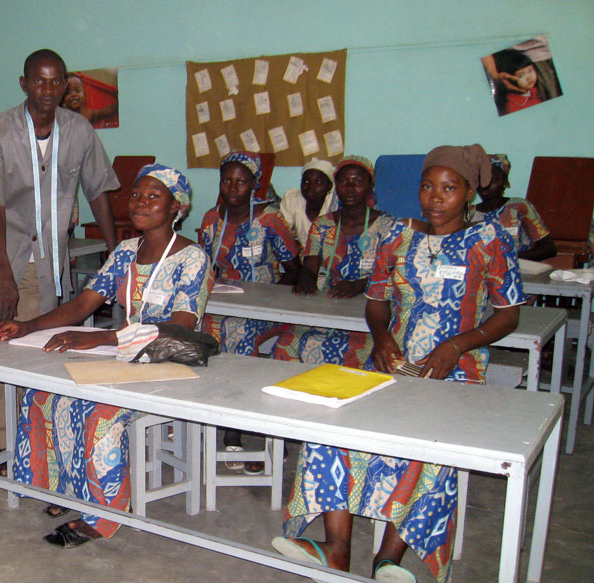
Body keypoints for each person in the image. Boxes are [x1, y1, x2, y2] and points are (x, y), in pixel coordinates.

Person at [274, 144, 524, 583]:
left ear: (467, 192)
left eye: (449, 188)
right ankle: (336, 547)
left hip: (455, 369)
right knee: (334, 427)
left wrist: (458, 346)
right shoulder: (398, 238)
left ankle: (388, 558)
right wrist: (384, 337)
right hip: (393, 361)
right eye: (428, 186)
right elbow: (376, 303)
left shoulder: (490, 240)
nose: (436, 197)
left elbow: (508, 314)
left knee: (424, 444)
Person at [0, 164, 213, 548]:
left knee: (99, 415)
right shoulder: (127, 251)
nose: (141, 202)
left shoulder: (192, 258)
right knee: (44, 395)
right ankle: (66, 489)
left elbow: (176, 330)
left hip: (166, 365)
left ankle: (106, 514)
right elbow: (81, 306)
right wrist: (27, 325)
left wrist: (99, 338)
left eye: (153, 196)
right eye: (136, 195)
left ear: (177, 207)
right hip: (124, 357)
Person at [0, 48, 119, 453]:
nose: (49, 89)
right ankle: (7, 449)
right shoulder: (0, 131)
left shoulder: (78, 131)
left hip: (44, 261)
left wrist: (117, 258)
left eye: (57, 81)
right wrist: (3, 277)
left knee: (40, 354)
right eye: (39, 81)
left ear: (66, 84)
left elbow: (98, 193)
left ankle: (38, 448)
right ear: (24, 84)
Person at [199, 152, 300, 472]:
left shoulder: (271, 220)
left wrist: (271, 297)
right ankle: (205, 414)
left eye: (241, 181)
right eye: (226, 180)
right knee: (193, 331)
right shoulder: (211, 220)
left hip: (265, 308)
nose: (232, 187)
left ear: (255, 185)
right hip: (223, 303)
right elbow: (202, 267)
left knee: (238, 333)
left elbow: (294, 270)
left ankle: (237, 428)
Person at [273, 156, 396, 367]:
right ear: (336, 186)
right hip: (330, 304)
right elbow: (310, 266)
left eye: (357, 182)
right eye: (343, 181)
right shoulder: (323, 225)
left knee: (362, 352)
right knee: (286, 344)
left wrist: (359, 285)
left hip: (374, 311)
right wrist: (306, 280)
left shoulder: (389, 226)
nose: (349, 188)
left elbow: (394, 275)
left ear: (369, 186)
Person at [472, 153, 556, 261]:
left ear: (506, 182)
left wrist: (511, 259)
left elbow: (549, 248)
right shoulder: (468, 212)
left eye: (494, 179)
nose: (485, 185)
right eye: (481, 179)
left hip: (517, 270)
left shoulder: (518, 207)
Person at [278, 158, 338, 248]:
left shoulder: (335, 203)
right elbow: (282, 230)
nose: (310, 186)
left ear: (329, 186)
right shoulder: (293, 199)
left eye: (318, 182)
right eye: (306, 181)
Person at [490, 49, 542, 115]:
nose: (529, 77)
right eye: (521, 75)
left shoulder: (535, 92)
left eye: (530, 71)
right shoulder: (512, 106)